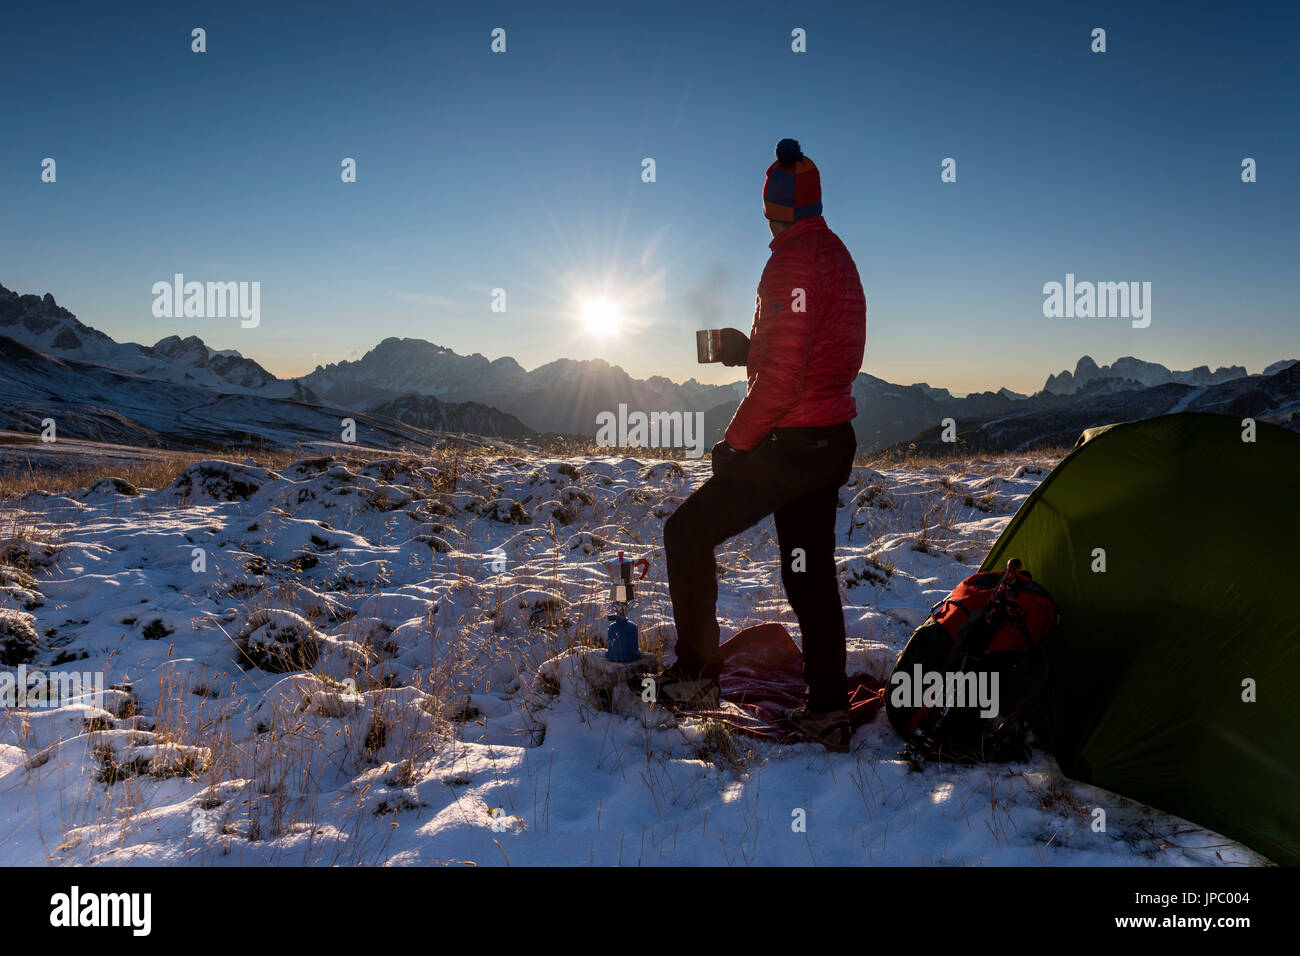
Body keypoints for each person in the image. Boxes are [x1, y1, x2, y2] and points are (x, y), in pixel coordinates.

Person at [654, 138, 867, 752]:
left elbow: (780, 382)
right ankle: (828, 705)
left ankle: (695, 678)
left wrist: (734, 446)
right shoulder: (837, 256)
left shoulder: (790, 263)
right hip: (830, 439)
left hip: (789, 444)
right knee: (809, 572)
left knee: (686, 533)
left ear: (774, 208)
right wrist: (748, 350)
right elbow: (817, 353)